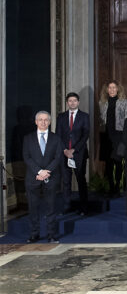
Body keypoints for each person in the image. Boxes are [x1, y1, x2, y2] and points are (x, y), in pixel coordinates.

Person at [23, 111, 64, 243]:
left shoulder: (56, 138)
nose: (43, 122)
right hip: (33, 178)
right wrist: (39, 171)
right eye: (40, 120)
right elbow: (26, 157)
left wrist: (47, 171)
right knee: (33, 207)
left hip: (50, 177)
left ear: (50, 122)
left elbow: (58, 157)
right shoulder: (28, 138)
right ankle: (34, 234)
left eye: (46, 120)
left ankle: (51, 235)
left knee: (51, 207)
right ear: (36, 122)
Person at [55, 92, 90, 215]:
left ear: (78, 102)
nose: (72, 102)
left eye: (75, 100)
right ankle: (67, 206)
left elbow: (85, 135)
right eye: (70, 101)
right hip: (64, 154)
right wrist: (65, 150)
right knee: (66, 181)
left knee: (81, 180)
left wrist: (73, 150)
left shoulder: (84, 116)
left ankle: (84, 207)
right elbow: (58, 135)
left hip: (79, 153)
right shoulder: (61, 117)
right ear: (67, 102)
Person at [98, 80, 127, 197]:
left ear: (118, 89)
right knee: (109, 162)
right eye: (109, 88)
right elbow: (101, 120)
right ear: (107, 90)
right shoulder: (102, 102)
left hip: (119, 135)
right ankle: (111, 186)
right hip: (107, 135)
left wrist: (126, 137)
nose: (112, 90)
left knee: (118, 161)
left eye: (114, 87)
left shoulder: (124, 102)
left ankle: (118, 186)